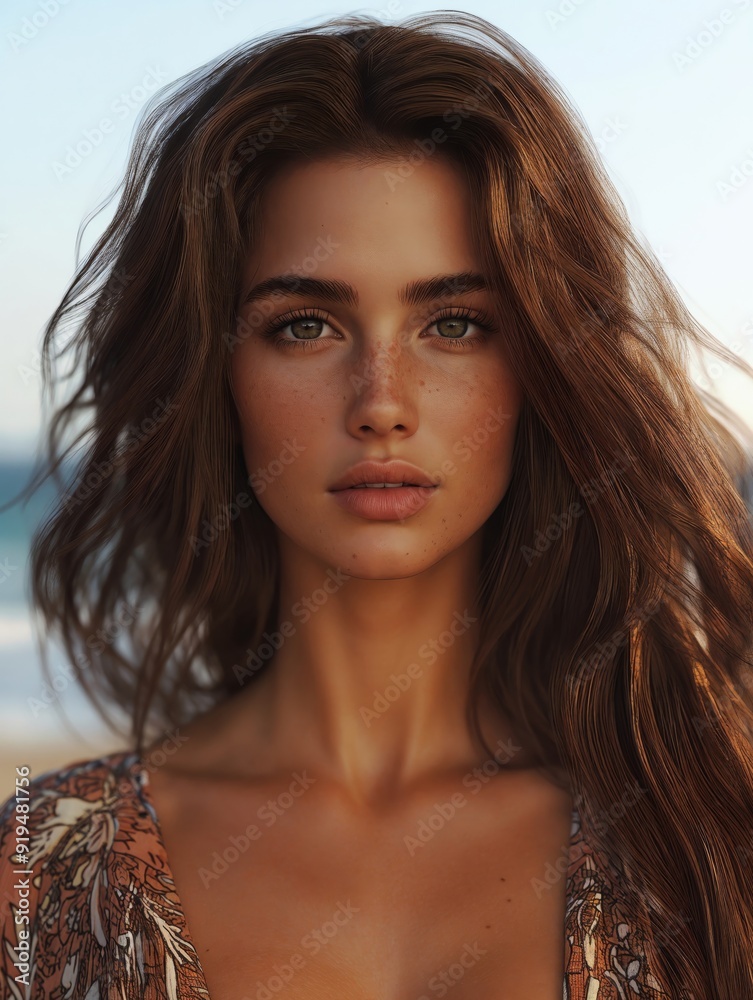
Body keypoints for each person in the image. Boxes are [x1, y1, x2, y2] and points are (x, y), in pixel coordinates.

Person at [1, 10, 752, 1000]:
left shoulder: (705, 833)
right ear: (209, 372)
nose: (383, 403)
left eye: (454, 323)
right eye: (305, 325)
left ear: (543, 366)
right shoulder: (42, 876)